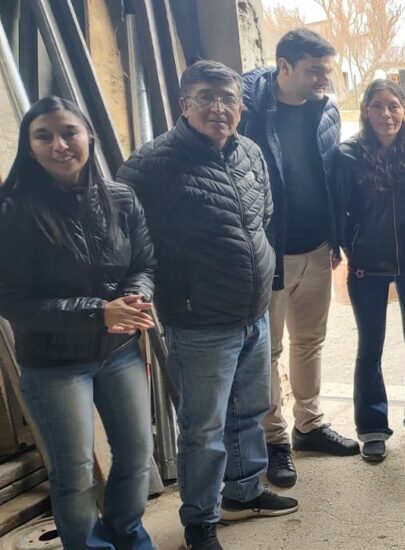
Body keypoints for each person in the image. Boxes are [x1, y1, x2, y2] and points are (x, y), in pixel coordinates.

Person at [117, 60, 297, 550]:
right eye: (205, 97)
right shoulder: (152, 164)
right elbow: (127, 242)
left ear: (240, 106)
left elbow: (263, 219)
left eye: (228, 98)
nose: (219, 107)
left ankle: (243, 489)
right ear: (184, 105)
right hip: (199, 321)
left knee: (249, 410)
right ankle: (200, 518)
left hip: (253, 313)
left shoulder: (251, 153)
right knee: (204, 427)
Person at [0, 96, 156, 550]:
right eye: (44, 136)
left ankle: (128, 531)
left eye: (69, 132)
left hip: (118, 351)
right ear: (29, 148)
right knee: (75, 471)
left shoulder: (121, 198)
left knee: (135, 453)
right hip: (53, 363)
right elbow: (12, 301)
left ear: (88, 135)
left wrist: (137, 296)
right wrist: (98, 311)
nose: (59, 144)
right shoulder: (13, 212)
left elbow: (144, 262)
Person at [240, 27, 356, 488]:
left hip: (318, 247)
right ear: (283, 67)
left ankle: (309, 424)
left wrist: (336, 237)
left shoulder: (326, 109)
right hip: (270, 253)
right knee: (269, 351)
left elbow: (330, 176)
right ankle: (274, 440)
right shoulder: (248, 111)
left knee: (310, 341)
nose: (322, 80)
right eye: (314, 71)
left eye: (326, 71)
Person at [331, 79, 405, 460]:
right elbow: (337, 209)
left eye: (394, 105)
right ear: (365, 111)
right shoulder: (347, 156)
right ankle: (372, 427)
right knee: (370, 347)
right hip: (367, 266)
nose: (386, 114)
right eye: (378, 106)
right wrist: (346, 249)